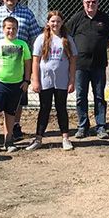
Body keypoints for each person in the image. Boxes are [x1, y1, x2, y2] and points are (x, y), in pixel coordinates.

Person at [0, 0, 41, 140]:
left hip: (19, 63)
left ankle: (15, 127)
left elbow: (35, 36)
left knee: (18, 97)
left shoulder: (27, 13)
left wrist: (33, 58)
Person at [28, 11, 78, 151]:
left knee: (61, 108)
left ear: (62, 23)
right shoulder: (41, 38)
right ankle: (38, 138)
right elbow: (36, 60)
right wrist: (35, 80)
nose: (55, 24)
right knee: (44, 108)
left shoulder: (67, 39)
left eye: (58, 21)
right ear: (48, 23)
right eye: (52, 21)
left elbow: (73, 60)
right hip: (45, 81)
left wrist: (72, 79)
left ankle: (65, 138)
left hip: (62, 81)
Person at [67, 0, 109, 140]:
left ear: (97, 3)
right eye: (88, 2)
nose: (90, 5)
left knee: (99, 96)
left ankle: (101, 127)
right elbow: (66, 35)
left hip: (99, 65)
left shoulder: (104, 19)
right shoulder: (77, 18)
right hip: (80, 65)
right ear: (83, 3)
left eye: (93, 2)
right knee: (81, 96)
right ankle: (83, 126)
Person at [0, 16, 32, 155]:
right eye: (8, 28)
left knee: (11, 113)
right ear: (3, 29)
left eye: (14, 28)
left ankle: (8, 141)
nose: (11, 31)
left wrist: (26, 81)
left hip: (16, 85)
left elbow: (28, 63)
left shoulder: (22, 45)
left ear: (18, 30)